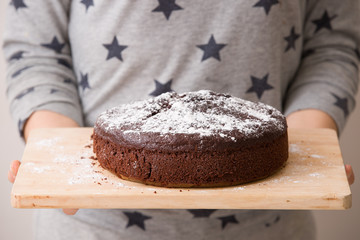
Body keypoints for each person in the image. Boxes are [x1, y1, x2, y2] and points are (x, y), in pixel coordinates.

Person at [4, 0, 357, 239]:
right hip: (91, 228)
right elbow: (34, 50)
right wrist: (61, 167)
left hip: (270, 225)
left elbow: (332, 43)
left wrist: (310, 147)